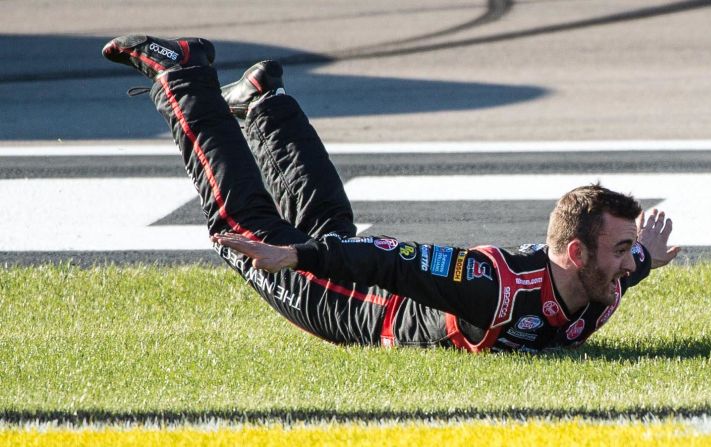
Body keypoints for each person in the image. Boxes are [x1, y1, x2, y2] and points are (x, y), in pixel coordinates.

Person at [102, 35, 680, 353]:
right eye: (624, 248)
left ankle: (264, 102)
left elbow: (627, 269)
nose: (631, 262)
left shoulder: (606, 278)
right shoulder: (491, 286)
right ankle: (179, 74)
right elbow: (385, 259)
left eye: (631, 251)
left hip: (359, 279)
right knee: (242, 230)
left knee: (327, 221)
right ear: (576, 255)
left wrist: (647, 255)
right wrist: (296, 259)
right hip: (353, 304)